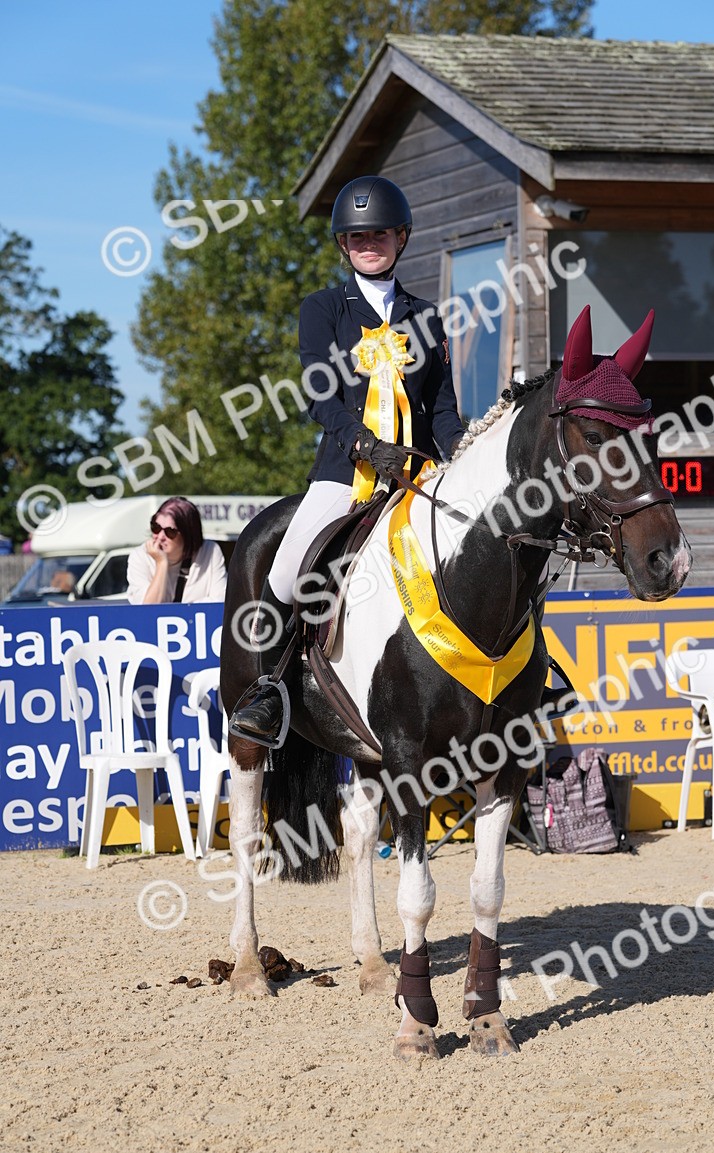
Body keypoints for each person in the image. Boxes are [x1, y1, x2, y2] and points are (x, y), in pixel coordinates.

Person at [231, 175, 464, 743]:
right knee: (286, 573)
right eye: (357, 235)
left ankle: (531, 672)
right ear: (343, 243)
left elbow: (442, 409)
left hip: (419, 473)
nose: (369, 243)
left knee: (487, 541)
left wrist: (460, 462)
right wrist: (365, 445)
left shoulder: (427, 316)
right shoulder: (324, 309)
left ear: (401, 237)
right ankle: (272, 690)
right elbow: (321, 396)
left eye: (379, 233)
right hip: (347, 472)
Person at [127, 496, 228, 604]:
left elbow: (220, 602)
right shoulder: (139, 556)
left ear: (188, 535)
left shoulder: (210, 551)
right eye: (156, 527)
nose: (160, 537)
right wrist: (161, 563)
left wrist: (181, 611)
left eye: (170, 532)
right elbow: (147, 610)